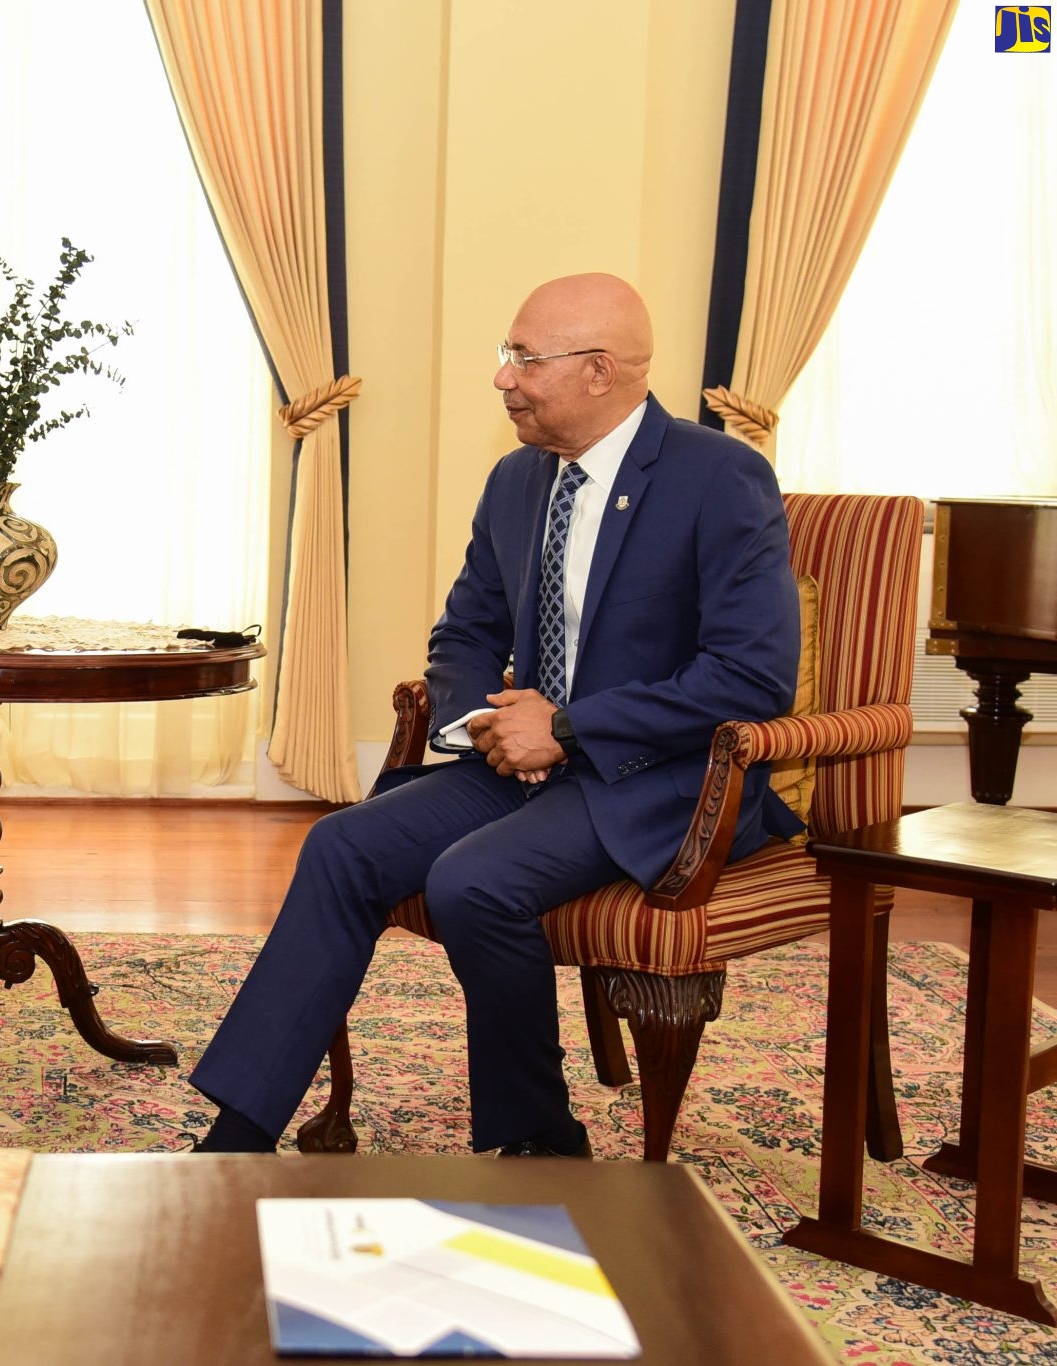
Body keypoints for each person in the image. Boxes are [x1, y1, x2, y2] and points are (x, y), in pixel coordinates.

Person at [190, 273, 801, 1157]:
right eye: (505, 354)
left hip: (659, 779)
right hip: (521, 766)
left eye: (524, 357)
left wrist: (570, 727)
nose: (502, 377)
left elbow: (752, 677)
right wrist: (486, 720)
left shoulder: (720, 477)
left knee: (473, 881)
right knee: (341, 845)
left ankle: (539, 1141)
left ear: (599, 371)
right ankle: (238, 1134)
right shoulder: (517, 481)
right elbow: (467, 628)